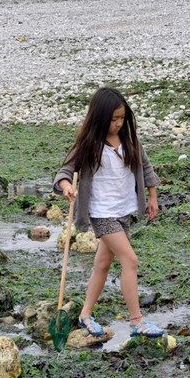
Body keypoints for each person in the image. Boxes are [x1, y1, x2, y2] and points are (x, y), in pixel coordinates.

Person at [54, 87, 164, 338]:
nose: (118, 123)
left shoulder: (130, 140)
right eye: (113, 119)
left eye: (122, 117)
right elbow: (64, 172)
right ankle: (137, 321)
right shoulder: (89, 143)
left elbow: (146, 168)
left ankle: (85, 314)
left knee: (102, 264)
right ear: (100, 117)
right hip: (101, 212)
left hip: (123, 210)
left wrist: (153, 197)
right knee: (130, 260)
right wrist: (67, 186)